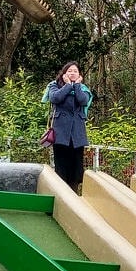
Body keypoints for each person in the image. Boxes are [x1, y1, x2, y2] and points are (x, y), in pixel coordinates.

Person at [45, 61, 91, 193]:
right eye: (69, 71)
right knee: (61, 166)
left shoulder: (83, 88)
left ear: (79, 75)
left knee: (76, 167)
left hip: (77, 133)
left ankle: (74, 194)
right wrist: (67, 86)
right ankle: (60, 194)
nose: (72, 73)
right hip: (61, 133)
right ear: (64, 73)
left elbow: (83, 100)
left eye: (75, 71)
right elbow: (55, 98)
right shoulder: (54, 86)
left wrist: (76, 86)